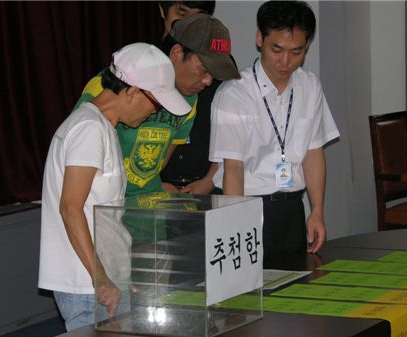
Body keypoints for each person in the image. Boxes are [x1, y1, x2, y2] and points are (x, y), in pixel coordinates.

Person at [38, 43, 191, 331]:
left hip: (99, 280)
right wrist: (101, 279)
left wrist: (116, 272)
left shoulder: (99, 126)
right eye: (156, 103)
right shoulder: (89, 129)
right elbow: (71, 208)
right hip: (87, 285)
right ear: (132, 91)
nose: (154, 112)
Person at [209, 1, 340, 268]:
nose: (285, 61)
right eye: (276, 49)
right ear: (260, 39)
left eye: (296, 52)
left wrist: (316, 210)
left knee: (295, 295)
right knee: (248, 300)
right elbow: (233, 169)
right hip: (247, 207)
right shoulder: (235, 94)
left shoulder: (309, 86)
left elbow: (313, 152)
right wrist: (237, 231)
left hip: (291, 209)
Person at [75, 12, 239, 201]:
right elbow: (80, 145)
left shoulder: (190, 100)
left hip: (147, 205)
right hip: (106, 202)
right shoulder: (113, 84)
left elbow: (158, 162)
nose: (208, 81)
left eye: (213, 74)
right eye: (203, 70)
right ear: (177, 53)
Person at [157, 1, 223, 194]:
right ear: (162, 10)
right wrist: (152, 184)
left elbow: (232, 131)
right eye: (182, 14)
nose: (190, 24)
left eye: (199, 17)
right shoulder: (143, 61)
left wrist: (210, 180)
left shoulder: (218, 61)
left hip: (206, 185)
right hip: (155, 187)